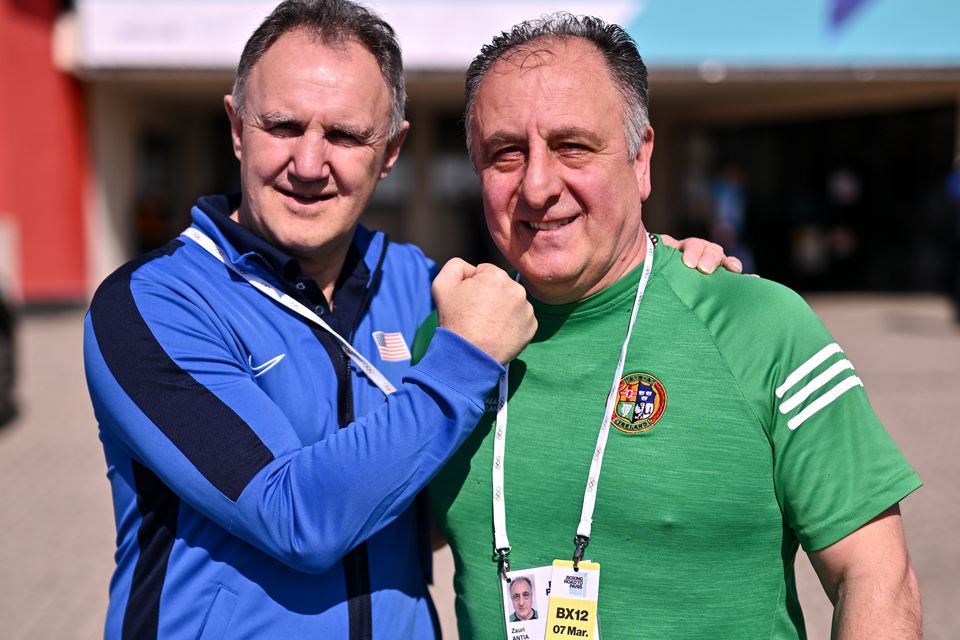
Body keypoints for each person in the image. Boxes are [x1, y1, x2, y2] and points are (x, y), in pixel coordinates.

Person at [82, 2, 728, 638]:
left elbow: (568, 349)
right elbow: (297, 519)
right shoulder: (152, 303)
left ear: (391, 150)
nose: (308, 164)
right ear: (236, 126)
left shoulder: (427, 289)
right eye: (283, 126)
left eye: (344, 135)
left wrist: (658, 272)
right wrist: (463, 359)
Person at [423, 13, 922, 639]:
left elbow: (876, 577)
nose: (538, 185)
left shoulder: (761, 326)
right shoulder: (448, 345)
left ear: (640, 159)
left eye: (572, 145)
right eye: (505, 153)